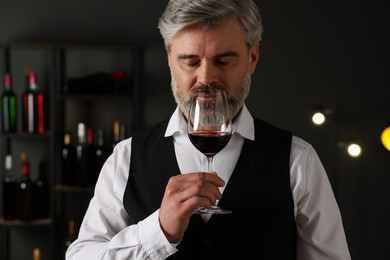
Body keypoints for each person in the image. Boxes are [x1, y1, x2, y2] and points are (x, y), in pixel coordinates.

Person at [66, 0, 351, 259]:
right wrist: (159, 230)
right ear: (169, 60)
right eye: (190, 61)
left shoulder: (298, 160)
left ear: (252, 58)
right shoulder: (126, 157)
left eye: (223, 61)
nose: (206, 78)